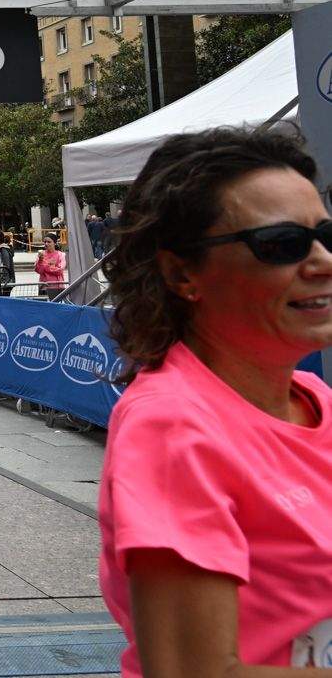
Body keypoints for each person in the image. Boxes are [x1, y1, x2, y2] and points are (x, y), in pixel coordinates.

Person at [97, 126, 332, 675]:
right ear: (182, 273)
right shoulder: (173, 426)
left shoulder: (315, 397)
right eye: (281, 244)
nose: (322, 260)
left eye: (327, 235)